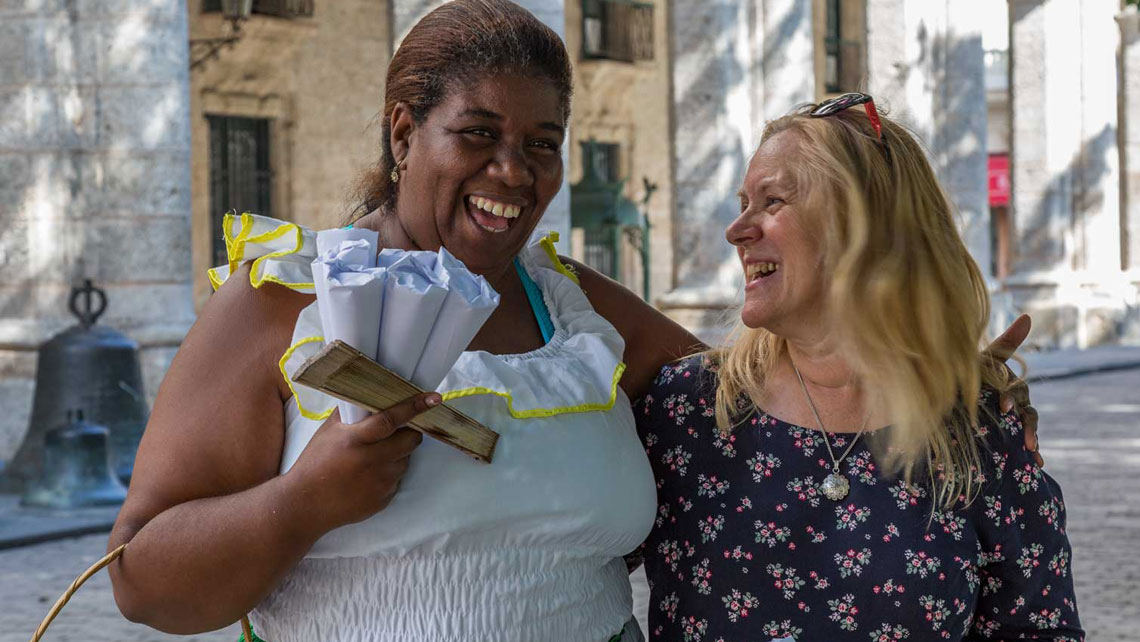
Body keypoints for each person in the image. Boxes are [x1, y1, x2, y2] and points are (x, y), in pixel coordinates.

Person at [105, 2, 1036, 639]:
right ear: (402, 133)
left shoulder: (588, 318)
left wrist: (946, 383)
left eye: (542, 143)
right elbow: (143, 581)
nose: (514, 171)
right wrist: (300, 503)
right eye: (477, 133)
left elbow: (784, 405)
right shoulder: (283, 303)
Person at [635, 95, 1082, 641]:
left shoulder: (980, 427)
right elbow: (559, 565)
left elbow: (1036, 630)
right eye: (742, 202)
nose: (737, 230)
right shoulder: (685, 409)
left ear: (866, 222)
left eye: (772, 201)